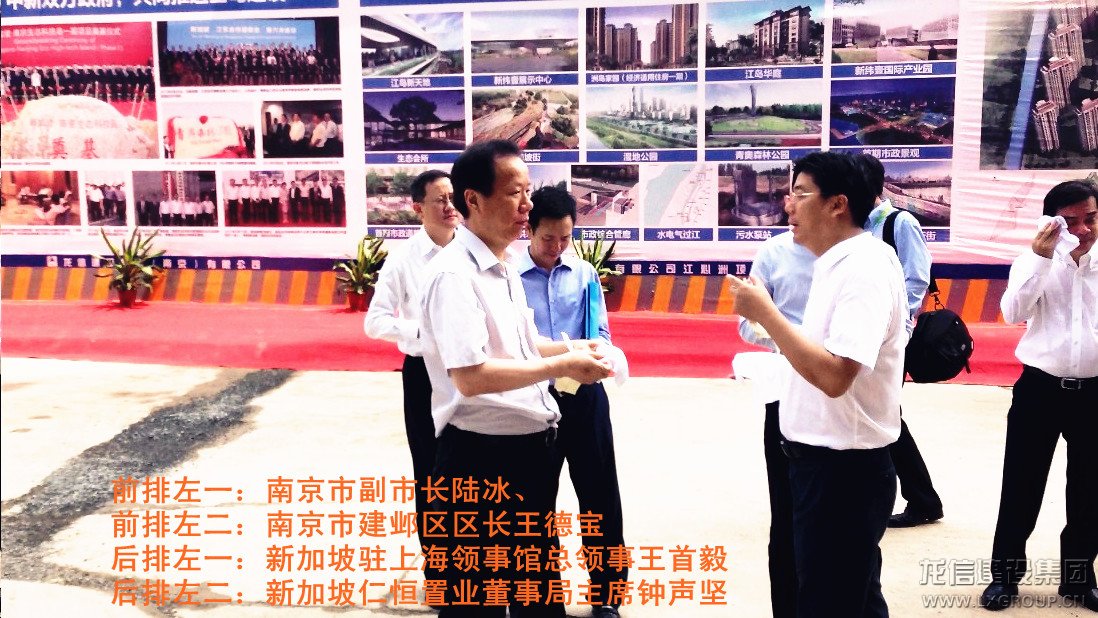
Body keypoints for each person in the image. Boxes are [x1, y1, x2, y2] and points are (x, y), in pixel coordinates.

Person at [418, 140, 612, 617]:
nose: (527, 205)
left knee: (537, 596)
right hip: (481, 461)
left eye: (527, 192)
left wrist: (575, 348)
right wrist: (562, 367)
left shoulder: (502, 265)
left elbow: (523, 346)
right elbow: (471, 376)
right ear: (473, 200)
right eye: (514, 193)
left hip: (525, 456)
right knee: (476, 602)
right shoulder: (453, 275)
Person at [729, 151, 906, 617]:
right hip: (819, 462)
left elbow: (834, 376)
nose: (787, 205)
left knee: (831, 600)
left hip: (843, 471)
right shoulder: (835, 262)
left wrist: (767, 313)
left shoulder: (864, 269)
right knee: (851, 597)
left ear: (837, 204)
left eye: (801, 194)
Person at [980, 180, 1098, 612]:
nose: (1082, 230)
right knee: (1021, 486)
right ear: (1051, 222)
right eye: (1070, 221)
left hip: (1094, 392)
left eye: (1091, 218)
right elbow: (1013, 312)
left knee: (1090, 492)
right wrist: (1041, 258)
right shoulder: (1032, 261)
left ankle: (1078, 580)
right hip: (1040, 390)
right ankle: (1005, 578)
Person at [516, 186, 627, 618]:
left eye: (566, 238)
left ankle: (607, 594)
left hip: (584, 397)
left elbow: (601, 332)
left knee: (600, 495)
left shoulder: (583, 274)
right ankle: (542, 599)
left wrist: (601, 354)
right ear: (530, 230)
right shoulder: (509, 276)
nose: (557, 247)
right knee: (533, 502)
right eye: (548, 238)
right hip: (531, 396)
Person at [363, 169, 461, 569]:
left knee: (471, 466)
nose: (450, 206)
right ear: (418, 208)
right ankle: (438, 565)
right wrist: (423, 332)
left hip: (469, 371)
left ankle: (470, 560)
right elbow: (375, 321)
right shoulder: (403, 259)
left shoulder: (471, 250)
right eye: (440, 200)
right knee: (431, 469)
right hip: (423, 374)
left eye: (453, 197)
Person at [853, 153, 943, 528]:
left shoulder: (899, 222)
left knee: (884, 415)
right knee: (881, 414)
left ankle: (920, 499)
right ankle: (922, 499)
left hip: (888, 340)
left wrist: (898, 332)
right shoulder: (854, 225)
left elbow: (916, 279)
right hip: (860, 335)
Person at [736, 229, 815, 618]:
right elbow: (747, 324)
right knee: (785, 515)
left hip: (843, 399)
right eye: (791, 197)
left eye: (802, 198)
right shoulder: (773, 253)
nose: (790, 204)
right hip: (785, 391)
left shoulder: (864, 256)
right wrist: (791, 344)